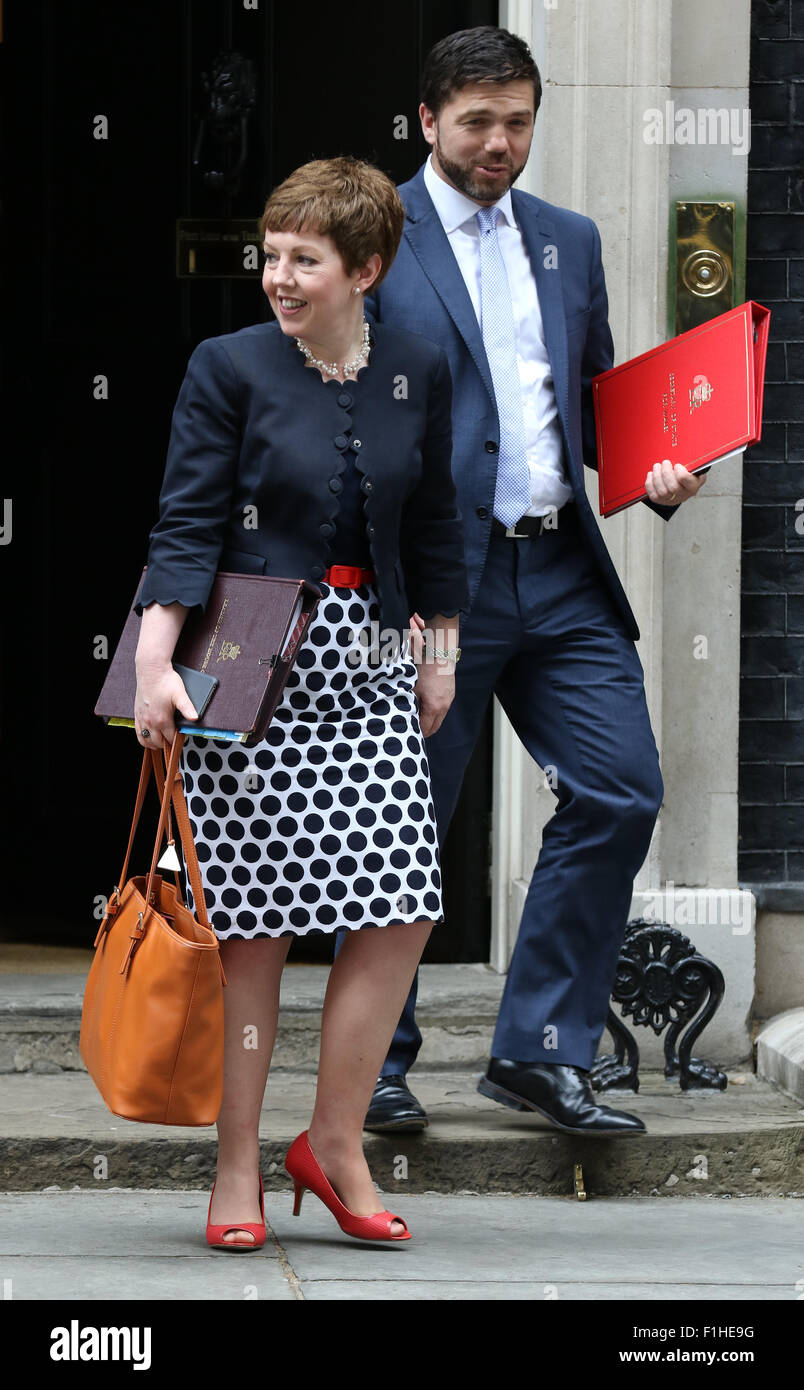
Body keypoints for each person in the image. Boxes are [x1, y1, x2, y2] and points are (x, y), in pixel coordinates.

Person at [360, 26, 708, 1137]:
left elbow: (594, 399)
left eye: (518, 121)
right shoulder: (377, 236)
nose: (501, 143)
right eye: (477, 124)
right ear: (427, 122)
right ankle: (373, 1063)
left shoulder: (568, 237)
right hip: (430, 586)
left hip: (558, 568)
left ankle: (539, 1051)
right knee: (399, 819)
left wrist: (652, 467)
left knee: (621, 788)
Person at [132, 156, 468, 1246]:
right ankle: (236, 1165)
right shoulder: (226, 365)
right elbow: (185, 521)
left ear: (364, 268)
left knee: (403, 900)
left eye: (304, 260)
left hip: (370, 652)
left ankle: (331, 1143)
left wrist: (440, 651)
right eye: (271, 256)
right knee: (254, 929)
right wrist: (152, 660)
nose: (278, 277)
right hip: (245, 655)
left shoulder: (420, 364)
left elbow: (435, 523)